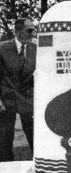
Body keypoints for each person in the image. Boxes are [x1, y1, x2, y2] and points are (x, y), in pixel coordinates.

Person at [0, 18, 36, 161]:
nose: (32, 34)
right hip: (6, 99)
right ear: (18, 31)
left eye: (33, 30)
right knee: (4, 138)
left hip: (28, 99)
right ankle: (6, 167)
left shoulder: (36, 49)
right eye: (29, 30)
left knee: (34, 134)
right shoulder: (2, 48)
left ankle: (39, 164)